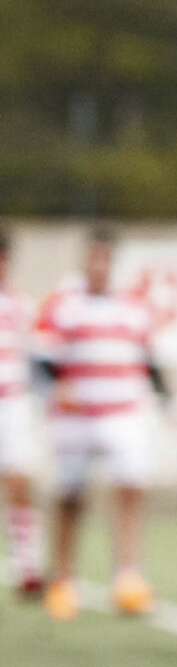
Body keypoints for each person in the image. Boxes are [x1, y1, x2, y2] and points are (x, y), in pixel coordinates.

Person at [33, 227, 169, 620]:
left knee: (129, 489)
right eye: (94, 258)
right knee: (71, 496)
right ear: (84, 261)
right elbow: (42, 359)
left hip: (122, 412)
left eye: (106, 259)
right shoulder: (62, 303)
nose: (99, 266)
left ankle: (128, 577)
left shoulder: (134, 305)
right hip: (76, 416)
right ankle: (63, 580)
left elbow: (149, 361)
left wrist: (165, 402)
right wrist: (57, 390)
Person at [0, 225, 43, 599]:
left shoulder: (20, 305)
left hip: (10, 403)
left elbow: (35, 359)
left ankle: (26, 565)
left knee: (19, 481)